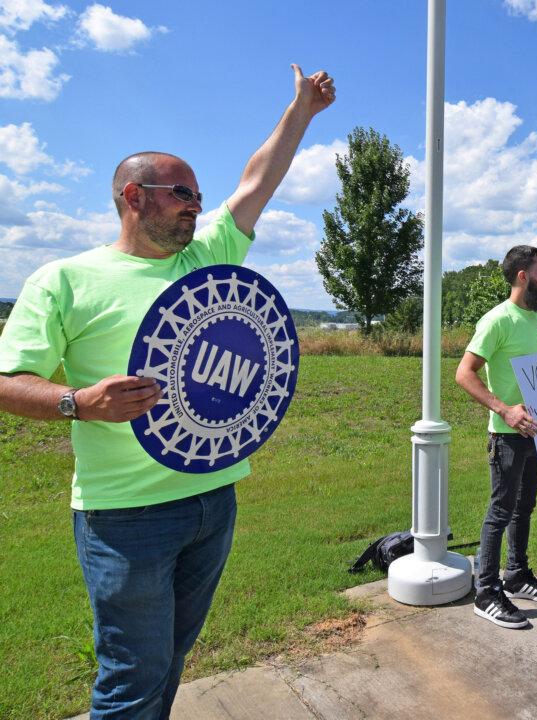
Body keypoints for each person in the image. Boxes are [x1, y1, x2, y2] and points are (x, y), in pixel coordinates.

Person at [0, 65, 335, 718]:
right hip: (126, 518)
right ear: (133, 195)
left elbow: (256, 183)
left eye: (198, 195)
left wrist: (301, 110)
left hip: (212, 500)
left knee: (171, 658)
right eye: (182, 192)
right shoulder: (63, 280)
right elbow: (7, 382)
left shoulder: (203, 261)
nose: (197, 205)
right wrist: (78, 402)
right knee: (131, 677)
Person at [455, 245, 537, 629]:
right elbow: (464, 373)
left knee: (525, 506)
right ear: (523, 276)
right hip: (507, 435)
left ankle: (516, 575)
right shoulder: (497, 320)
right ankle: (486, 591)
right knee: (500, 511)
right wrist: (505, 409)